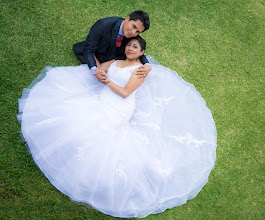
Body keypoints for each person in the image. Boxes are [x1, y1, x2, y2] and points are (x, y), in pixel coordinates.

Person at [18, 36, 217, 218]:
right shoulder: (115, 60)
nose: (131, 48)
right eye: (130, 45)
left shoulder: (139, 70)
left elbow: (125, 92)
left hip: (120, 106)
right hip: (102, 97)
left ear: (141, 53)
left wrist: (107, 82)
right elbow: (101, 70)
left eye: (135, 47)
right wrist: (100, 73)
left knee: (98, 134)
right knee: (73, 116)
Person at [73, 10, 151, 85]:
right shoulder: (103, 25)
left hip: (111, 60)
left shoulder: (133, 34)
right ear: (127, 18)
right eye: (134, 26)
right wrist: (95, 71)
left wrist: (147, 65)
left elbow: (139, 50)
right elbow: (88, 50)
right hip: (95, 55)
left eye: (137, 31)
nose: (133, 32)